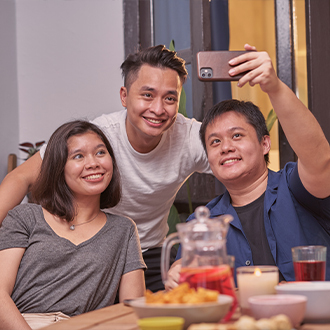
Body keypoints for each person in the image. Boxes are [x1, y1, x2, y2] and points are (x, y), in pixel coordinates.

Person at [0, 45, 212, 292]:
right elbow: (22, 176)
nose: (158, 109)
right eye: (147, 95)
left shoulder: (189, 137)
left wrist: (270, 87)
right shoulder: (98, 136)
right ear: (124, 96)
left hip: (150, 254)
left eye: (170, 98)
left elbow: (245, 163)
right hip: (91, 250)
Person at [166, 47, 330, 289]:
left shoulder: (295, 187)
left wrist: (273, 86)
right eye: (215, 142)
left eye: (237, 135)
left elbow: (320, 159)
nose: (226, 147)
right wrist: (177, 273)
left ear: (265, 143)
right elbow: (184, 273)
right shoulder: (205, 222)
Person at [0, 121, 146, 330]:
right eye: (78, 156)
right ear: (58, 168)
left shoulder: (124, 230)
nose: (93, 163)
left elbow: (131, 311)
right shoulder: (26, 217)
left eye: (100, 153)